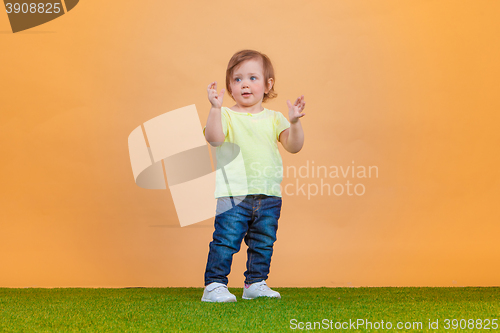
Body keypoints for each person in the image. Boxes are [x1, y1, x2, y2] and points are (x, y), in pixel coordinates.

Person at [201, 49, 306, 302]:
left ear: (268, 84)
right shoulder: (226, 115)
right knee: (225, 240)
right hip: (233, 193)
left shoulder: (274, 118)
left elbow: (293, 146)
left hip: (268, 194)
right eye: (237, 79)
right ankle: (214, 284)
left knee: (263, 242)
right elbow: (214, 139)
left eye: (252, 78)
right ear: (229, 85)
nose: (245, 84)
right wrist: (215, 108)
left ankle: (255, 283)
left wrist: (294, 123)